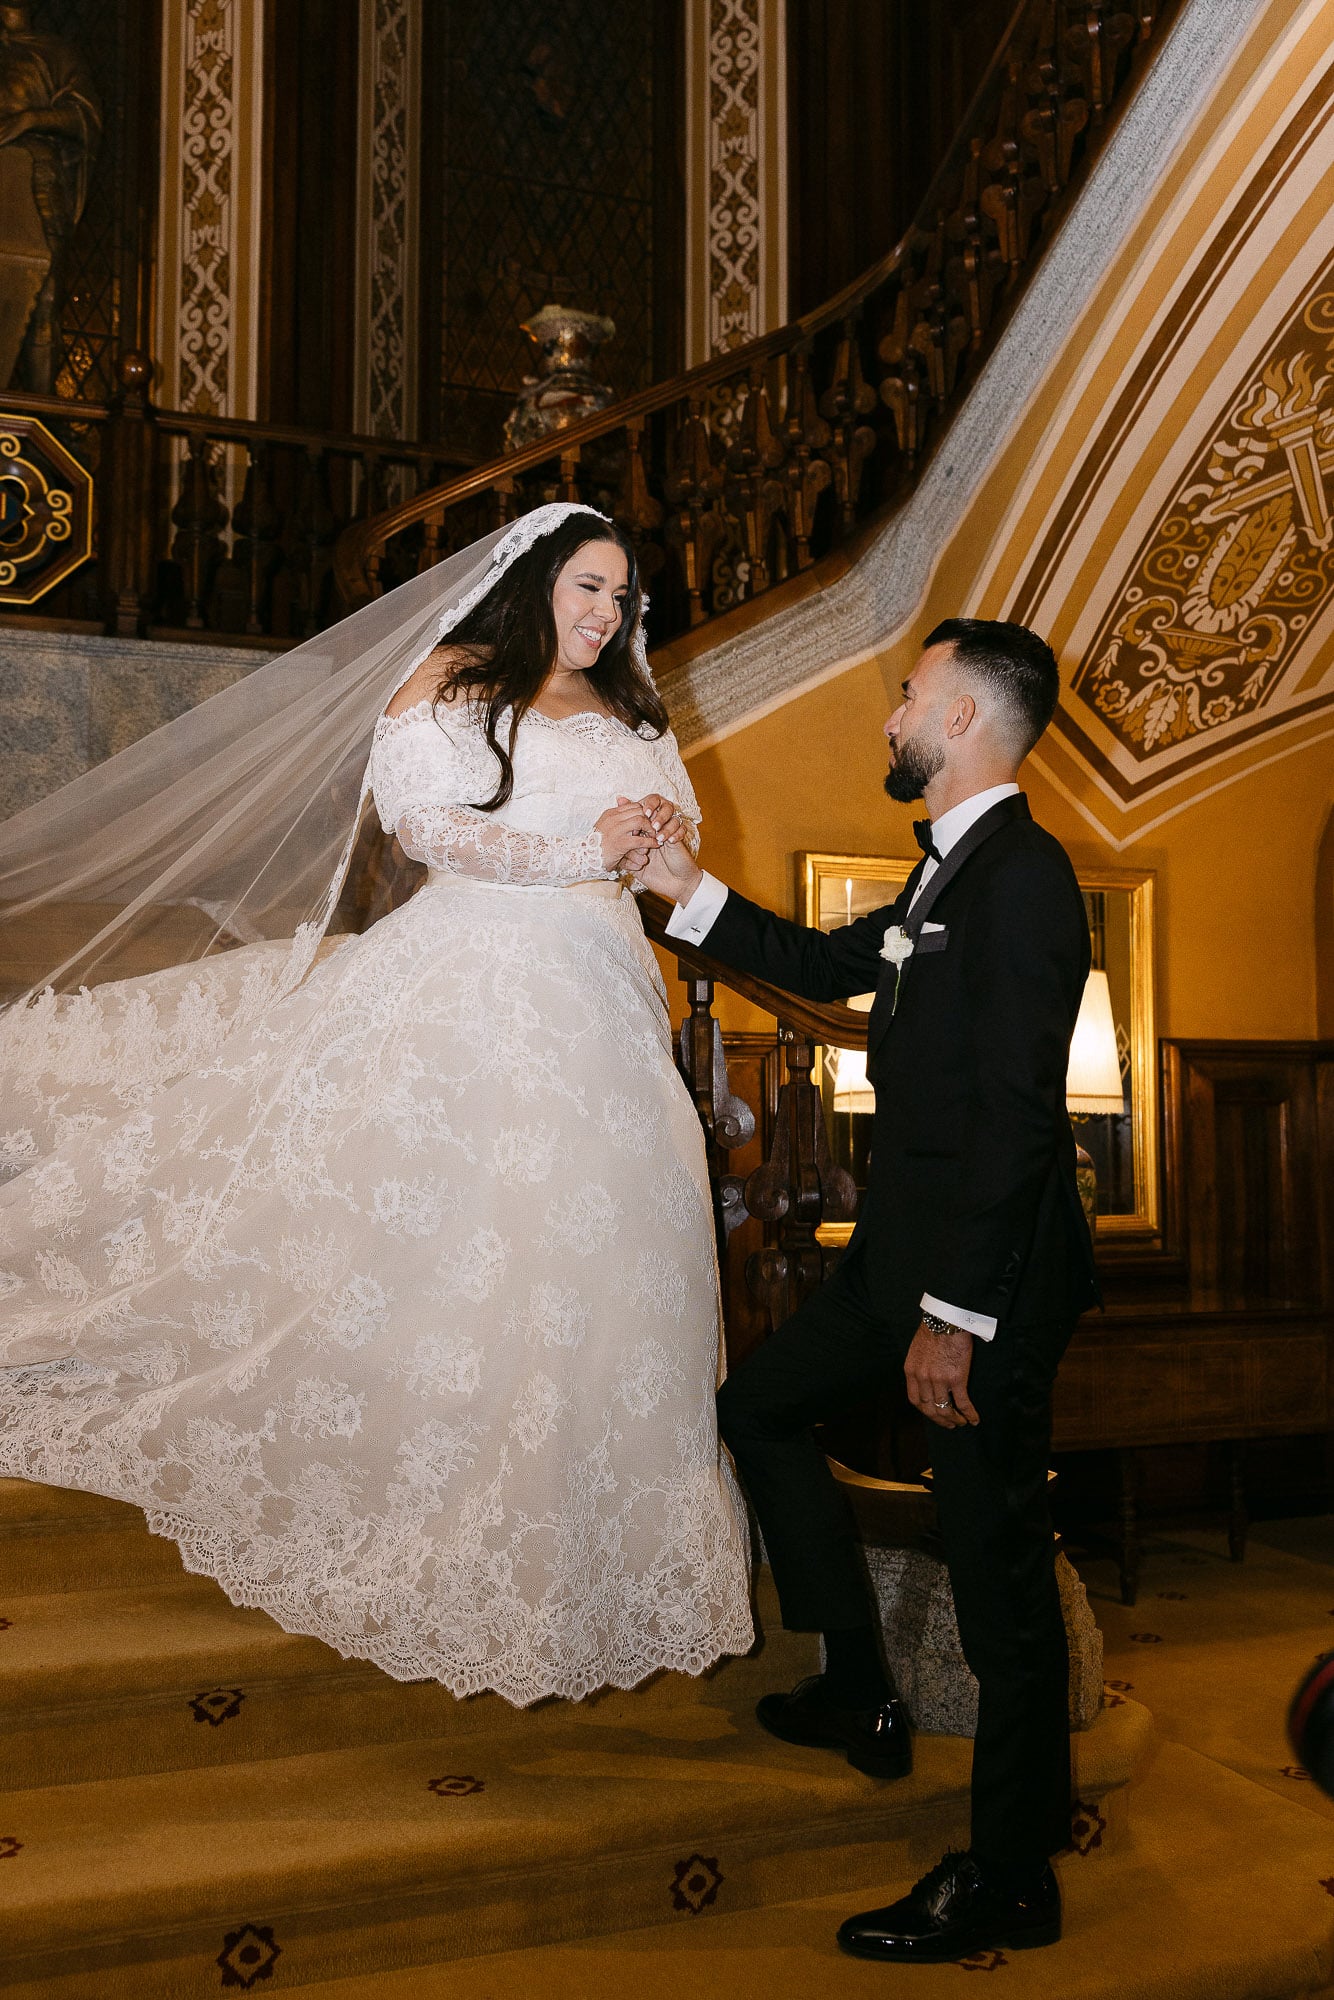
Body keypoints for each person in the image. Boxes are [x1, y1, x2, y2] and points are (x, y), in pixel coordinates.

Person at [0, 503, 753, 1707]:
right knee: (452, 1215)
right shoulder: (450, 676)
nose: (604, 614)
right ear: (532, 582)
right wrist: (577, 849)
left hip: (605, 993)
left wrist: (655, 831)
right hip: (475, 977)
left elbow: (672, 829)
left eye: (621, 597)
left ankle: (574, 1543)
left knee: (601, 1247)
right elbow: (420, 822)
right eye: (586, 587)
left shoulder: (634, 710)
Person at [639, 618, 1100, 1962]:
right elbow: (836, 967)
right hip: (893, 1262)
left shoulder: (1023, 878)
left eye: (908, 696)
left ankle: (1011, 1872)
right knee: (758, 1411)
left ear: (958, 723)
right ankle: (855, 1679)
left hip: (981, 1286)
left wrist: (957, 1320)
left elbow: (1020, 1119)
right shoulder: (947, 876)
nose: (892, 714)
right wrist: (685, 885)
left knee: (994, 1574)